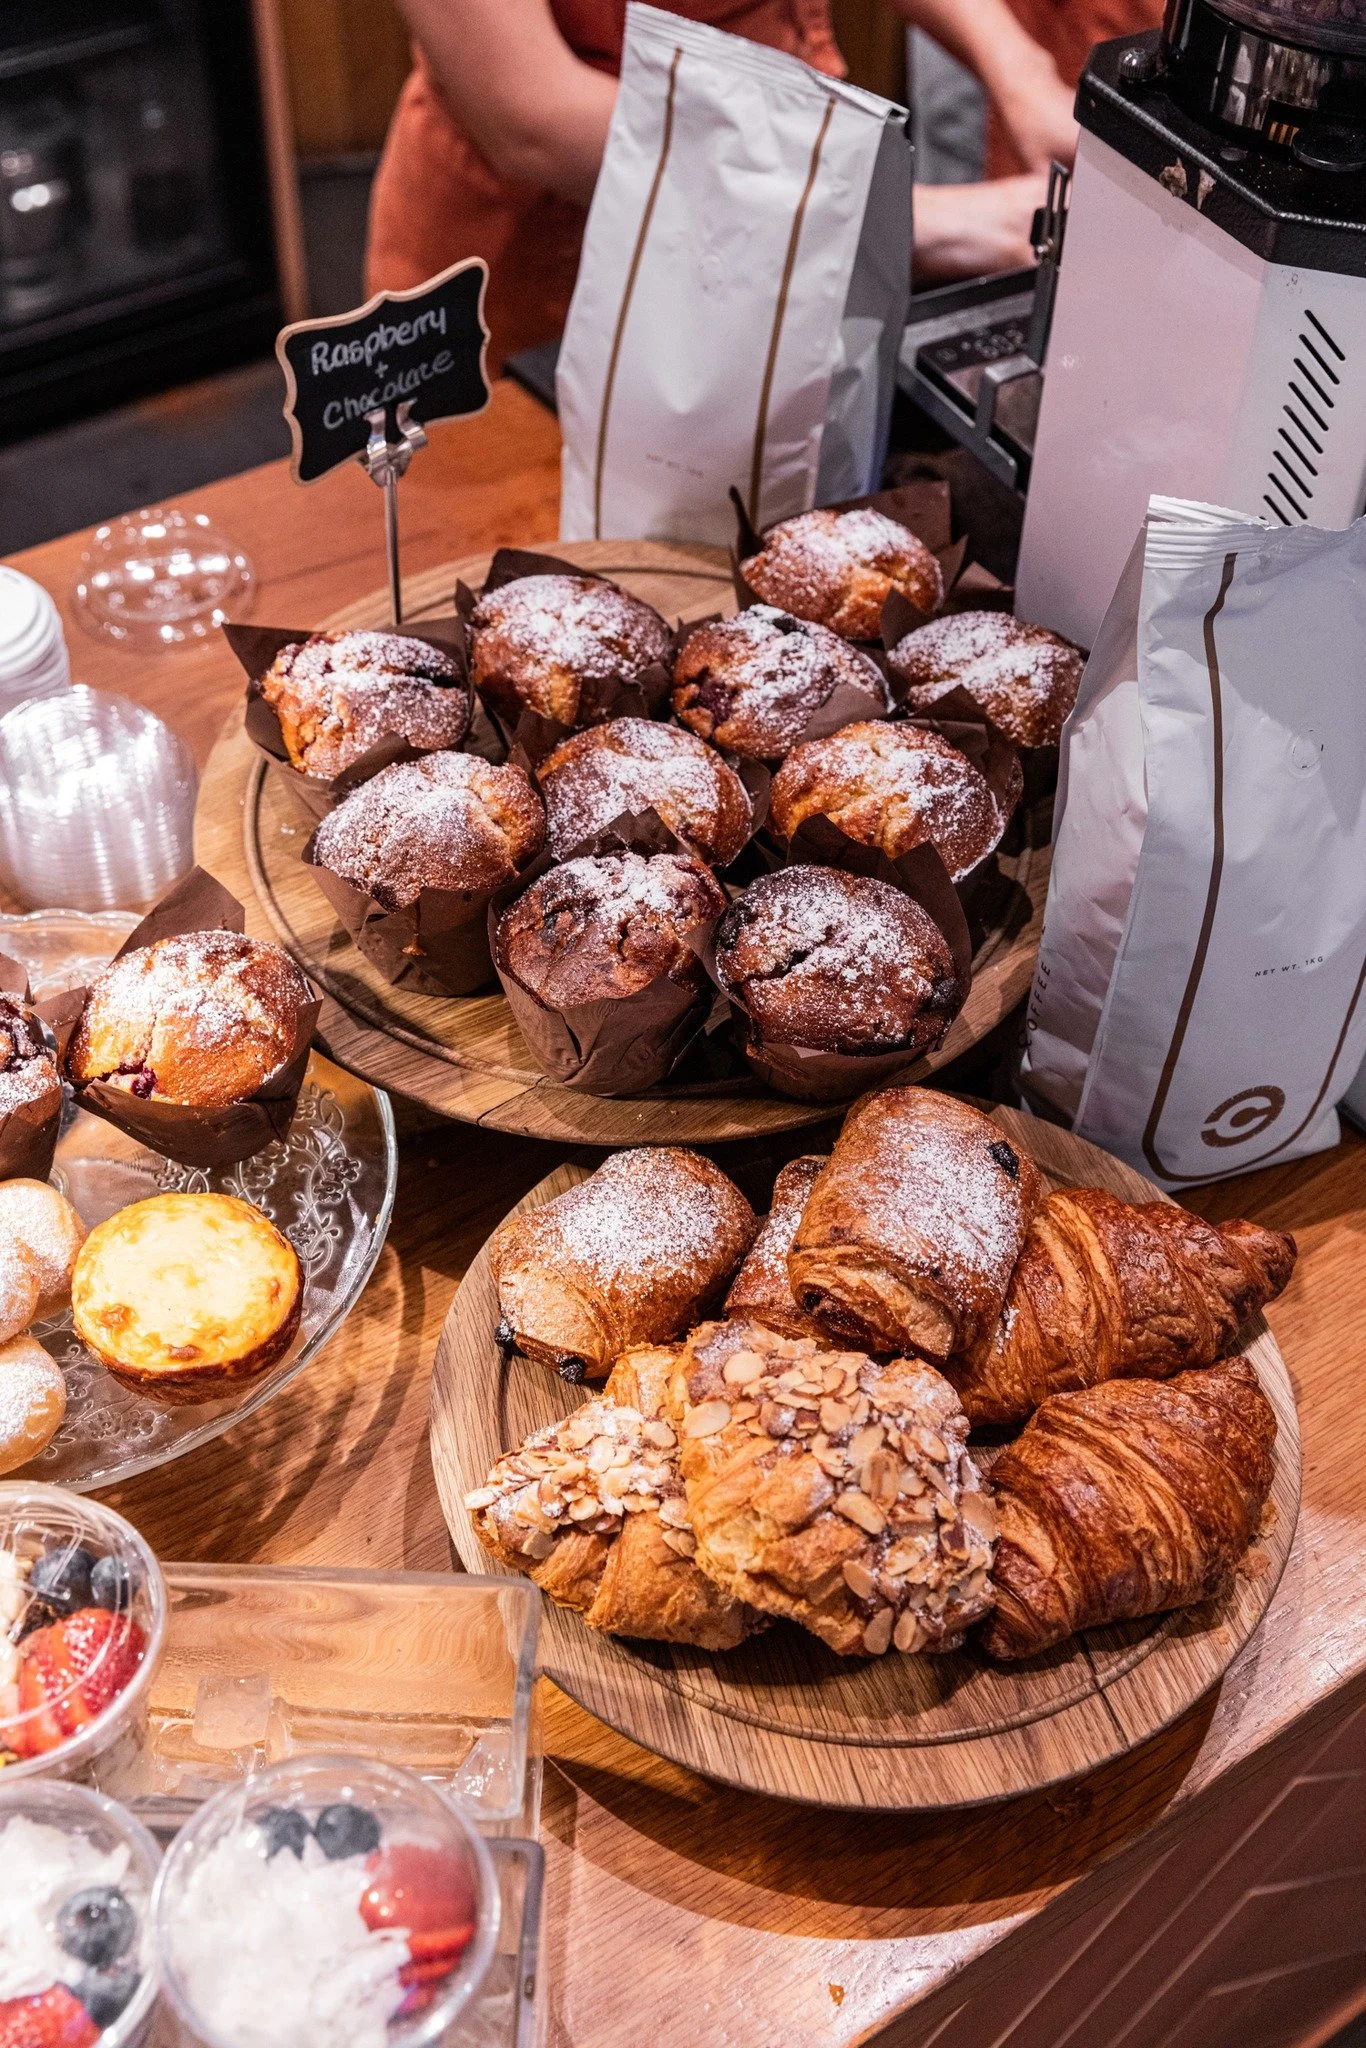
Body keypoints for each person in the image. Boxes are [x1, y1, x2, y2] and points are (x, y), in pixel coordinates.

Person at [366, 0, 1050, 371]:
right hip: (550, 281)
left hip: (793, 222)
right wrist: (907, 222)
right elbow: (531, 121)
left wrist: (1021, 69)